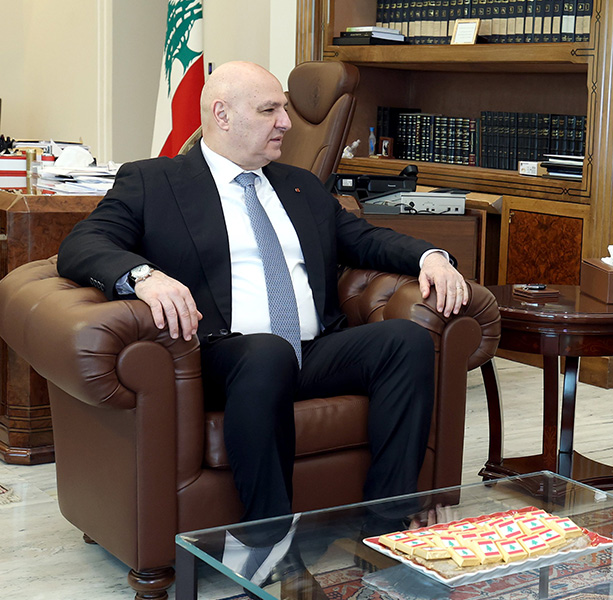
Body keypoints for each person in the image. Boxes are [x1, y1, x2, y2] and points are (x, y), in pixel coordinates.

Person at [58, 62, 468, 538]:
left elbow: (366, 239)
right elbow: (82, 244)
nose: (286, 123)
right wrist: (144, 277)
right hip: (220, 356)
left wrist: (432, 257)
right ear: (222, 115)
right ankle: (268, 539)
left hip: (310, 352)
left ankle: (387, 525)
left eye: (285, 109)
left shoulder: (300, 186)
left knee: (405, 341)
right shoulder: (155, 182)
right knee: (266, 352)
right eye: (269, 110)